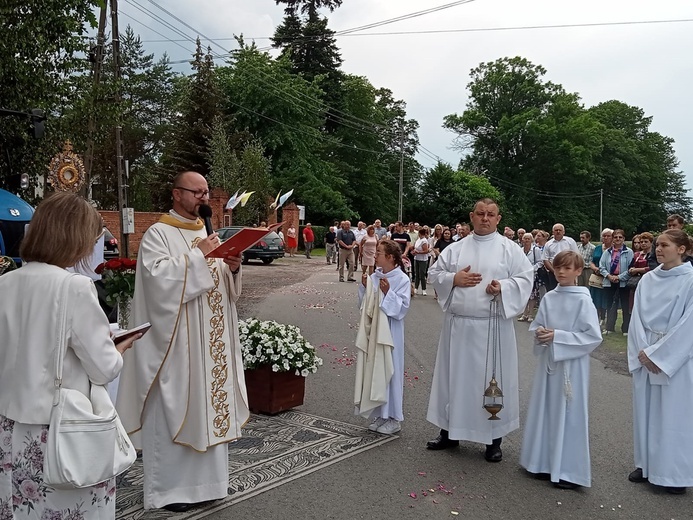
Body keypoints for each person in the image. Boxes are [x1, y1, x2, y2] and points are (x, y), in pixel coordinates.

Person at [0, 192, 140, 519]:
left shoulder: (6, 283)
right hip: (61, 430)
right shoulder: (74, 287)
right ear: (75, 239)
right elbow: (103, 368)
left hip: (11, 428)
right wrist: (118, 347)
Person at [116, 171, 249, 512]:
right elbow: (157, 279)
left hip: (212, 343)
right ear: (177, 194)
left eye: (206, 192)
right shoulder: (159, 234)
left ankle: (211, 485)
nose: (204, 198)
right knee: (176, 410)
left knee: (210, 407)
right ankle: (171, 492)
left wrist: (232, 267)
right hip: (178, 345)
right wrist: (199, 256)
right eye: (197, 192)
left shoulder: (210, 234)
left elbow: (221, 285)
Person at [426, 198, 533, 462]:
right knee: (455, 381)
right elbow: (433, 274)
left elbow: (525, 278)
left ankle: (493, 441)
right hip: (459, 327)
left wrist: (503, 288)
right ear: (472, 217)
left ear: (498, 219)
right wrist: (454, 279)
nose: (485, 218)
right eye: (481, 214)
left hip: (493, 328)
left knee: (491, 382)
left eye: (491, 214)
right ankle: (449, 432)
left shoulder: (510, 249)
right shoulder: (456, 248)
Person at [521, 251, 602, 490]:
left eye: (567, 268)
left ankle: (567, 470)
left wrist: (559, 336)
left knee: (569, 413)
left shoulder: (583, 299)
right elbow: (538, 325)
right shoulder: (550, 298)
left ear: (579, 271)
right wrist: (541, 334)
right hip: (549, 362)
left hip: (571, 365)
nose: (561, 272)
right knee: (545, 408)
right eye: (558, 268)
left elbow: (592, 336)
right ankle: (541, 462)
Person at [627, 229, 693, 495]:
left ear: (682, 248)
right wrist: (644, 351)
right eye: (657, 245)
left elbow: (689, 323)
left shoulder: (690, 279)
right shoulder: (648, 279)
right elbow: (637, 317)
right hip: (646, 353)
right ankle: (646, 464)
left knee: (672, 415)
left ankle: (673, 473)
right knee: (645, 411)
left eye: (665, 245)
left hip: (676, 357)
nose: (658, 249)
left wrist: (660, 354)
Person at [354, 239, 411, 435]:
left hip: (391, 331)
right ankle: (380, 413)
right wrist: (364, 287)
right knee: (375, 370)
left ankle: (394, 417)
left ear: (390, 257)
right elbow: (365, 305)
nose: (375, 255)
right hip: (376, 331)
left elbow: (402, 309)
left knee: (390, 370)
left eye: (378, 252)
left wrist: (388, 293)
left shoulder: (402, 279)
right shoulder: (375, 276)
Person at [599, 229, 634, 335]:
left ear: (624, 239)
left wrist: (619, 277)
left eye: (620, 237)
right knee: (610, 305)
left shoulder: (629, 252)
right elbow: (601, 266)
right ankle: (609, 328)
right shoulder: (607, 252)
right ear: (612, 238)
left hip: (623, 281)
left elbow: (630, 268)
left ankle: (626, 329)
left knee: (625, 305)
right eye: (615, 237)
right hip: (609, 281)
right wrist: (609, 276)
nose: (618, 239)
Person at [542, 223, 579, 290]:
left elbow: (576, 256)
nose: (558, 232)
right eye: (556, 230)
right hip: (553, 271)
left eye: (560, 230)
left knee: (568, 291)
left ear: (563, 232)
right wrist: (554, 271)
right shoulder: (548, 244)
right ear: (553, 232)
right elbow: (545, 259)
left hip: (568, 271)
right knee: (553, 291)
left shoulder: (570, 241)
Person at [518, 233, 543, 322]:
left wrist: (532, 269)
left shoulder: (536, 250)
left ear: (531, 240)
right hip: (522, 275)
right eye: (525, 239)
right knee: (524, 295)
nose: (526, 240)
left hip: (533, 275)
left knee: (532, 296)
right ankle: (524, 314)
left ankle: (530, 314)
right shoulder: (520, 250)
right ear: (522, 240)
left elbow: (540, 262)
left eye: (528, 239)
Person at [413, 228, 430, 295]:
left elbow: (426, 251)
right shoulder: (418, 240)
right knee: (416, 273)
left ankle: (424, 289)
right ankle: (416, 288)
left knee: (422, 274)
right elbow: (415, 248)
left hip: (423, 259)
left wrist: (418, 252)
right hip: (416, 258)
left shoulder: (424, 241)